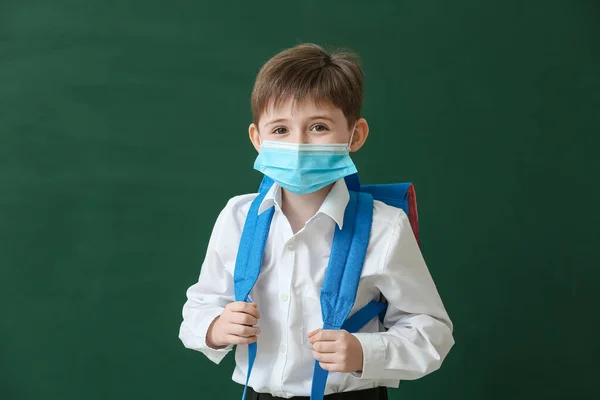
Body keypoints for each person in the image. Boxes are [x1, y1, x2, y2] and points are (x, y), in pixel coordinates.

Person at [179, 43, 454, 400]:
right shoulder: (238, 217)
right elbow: (200, 306)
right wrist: (215, 328)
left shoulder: (383, 227)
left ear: (355, 135)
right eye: (280, 130)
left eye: (319, 126)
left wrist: (363, 353)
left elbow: (432, 331)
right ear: (257, 139)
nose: (299, 145)